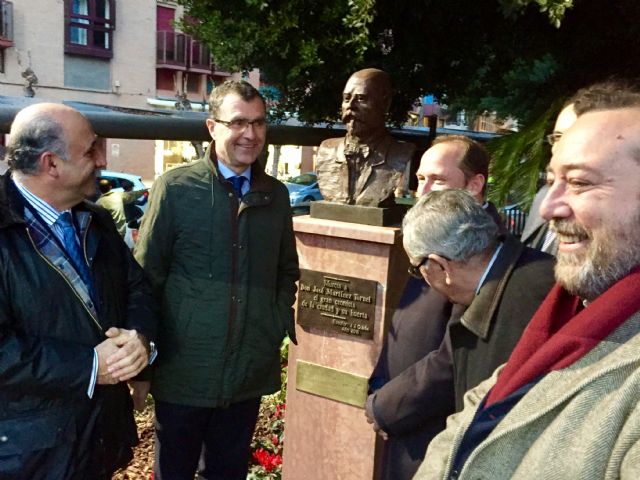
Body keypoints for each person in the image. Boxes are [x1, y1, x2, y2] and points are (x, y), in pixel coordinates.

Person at [415, 85, 640, 479]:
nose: (550, 206)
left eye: (581, 183)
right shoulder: (567, 313)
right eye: (552, 180)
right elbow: (470, 424)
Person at [134, 80, 299, 480]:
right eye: (238, 122)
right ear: (212, 127)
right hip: (183, 372)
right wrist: (143, 361)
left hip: (245, 375)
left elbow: (286, 271)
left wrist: (270, 326)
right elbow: (145, 276)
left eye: (259, 123)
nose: (251, 134)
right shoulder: (175, 188)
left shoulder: (274, 195)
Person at [0, 103, 156, 479]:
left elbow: (138, 290)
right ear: (51, 164)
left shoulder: (96, 218)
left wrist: (140, 340)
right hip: (28, 457)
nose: (102, 159)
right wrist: (89, 366)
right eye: (90, 150)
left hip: (98, 441)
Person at [365, 135, 499, 480]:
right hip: (402, 424)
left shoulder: (482, 249)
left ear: (475, 185)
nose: (422, 192)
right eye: (421, 179)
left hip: (431, 433)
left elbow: (455, 356)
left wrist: (386, 405)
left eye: (438, 180)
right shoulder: (433, 228)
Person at [402, 189, 554, 411]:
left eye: (417, 269)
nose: (423, 280)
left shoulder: (523, 308)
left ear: (440, 266)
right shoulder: (540, 272)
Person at [315, 68, 415, 207]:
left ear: (385, 104)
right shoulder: (327, 149)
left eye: (361, 98)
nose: (350, 106)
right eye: (346, 98)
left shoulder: (400, 153)